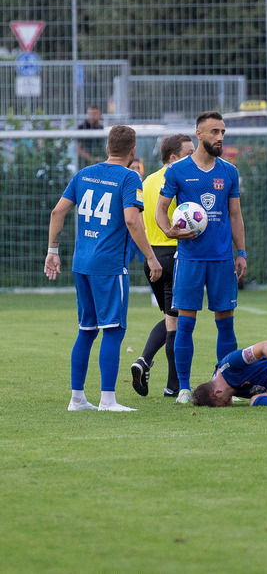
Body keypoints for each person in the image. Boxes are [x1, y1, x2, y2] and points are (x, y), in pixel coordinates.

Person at [44, 125, 163, 412]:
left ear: (108, 147)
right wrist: (151, 257)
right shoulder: (129, 177)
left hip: (81, 264)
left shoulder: (83, 174)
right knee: (112, 330)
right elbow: (132, 221)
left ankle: (77, 399)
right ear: (132, 151)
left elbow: (57, 211)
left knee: (86, 330)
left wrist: (52, 251)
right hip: (109, 266)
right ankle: (107, 400)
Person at [155, 111, 248, 405]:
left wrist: (241, 252)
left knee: (226, 324)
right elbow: (160, 210)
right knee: (185, 324)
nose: (220, 137)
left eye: (222, 131)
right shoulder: (177, 171)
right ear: (199, 134)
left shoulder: (229, 171)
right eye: (214, 132)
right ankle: (183, 387)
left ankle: (224, 385)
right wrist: (169, 230)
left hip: (222, 260)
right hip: (190, 259)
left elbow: (235, 214)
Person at [129, 134, 195, 398]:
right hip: (175, 257)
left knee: (171, 319)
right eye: (189, 153)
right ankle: (172, 385)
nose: (194, 157)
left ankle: (145, 362)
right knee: (176, 323)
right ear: (173, 157)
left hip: (152, 259)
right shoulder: (183, 180)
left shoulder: (147, 181)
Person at [191, 340, 267, 408]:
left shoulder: (230, 364)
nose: (229, 403)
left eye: (224, 402)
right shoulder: (224, 387)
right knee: (255, 400)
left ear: (217, 392)